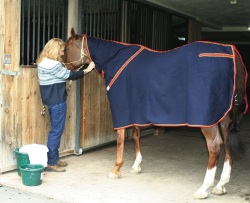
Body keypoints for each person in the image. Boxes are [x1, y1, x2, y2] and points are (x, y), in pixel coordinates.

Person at [36, 38, 95, 172]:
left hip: (51, 100)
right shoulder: (54, 65)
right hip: (57, 101)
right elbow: (70, 75)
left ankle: (54, 158)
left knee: (55, 131)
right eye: (62, 50)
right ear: (55, 50)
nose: (63, 53)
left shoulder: (43, 62)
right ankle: (51, 162)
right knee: (56, 131)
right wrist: (88, 69)